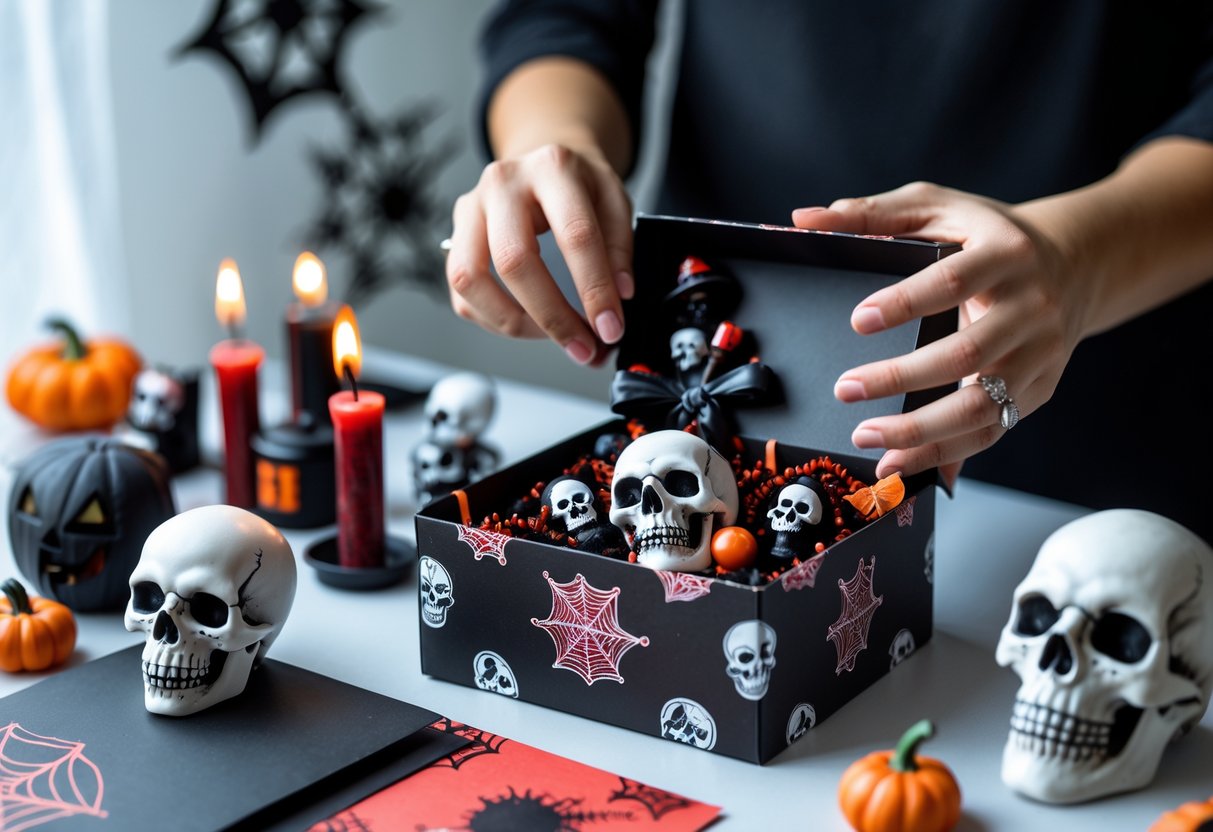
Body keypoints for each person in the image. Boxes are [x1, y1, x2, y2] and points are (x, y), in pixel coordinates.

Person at [444, 0, 1213, 542]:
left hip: (1112, 439)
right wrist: (555, 147)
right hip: (718, 342)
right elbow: (565, 15)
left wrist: (1077, 260)